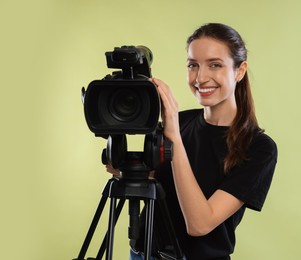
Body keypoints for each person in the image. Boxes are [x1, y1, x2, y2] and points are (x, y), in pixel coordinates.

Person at [107, 23, 277, 260]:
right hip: (142, 254)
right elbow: (158, 183)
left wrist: (173, 136)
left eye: (215, 65)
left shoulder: (259, 148)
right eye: (193, 65)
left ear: (240, 70)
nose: (201, 77)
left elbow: (200, 224)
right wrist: (125, 164)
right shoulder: (180, 121)